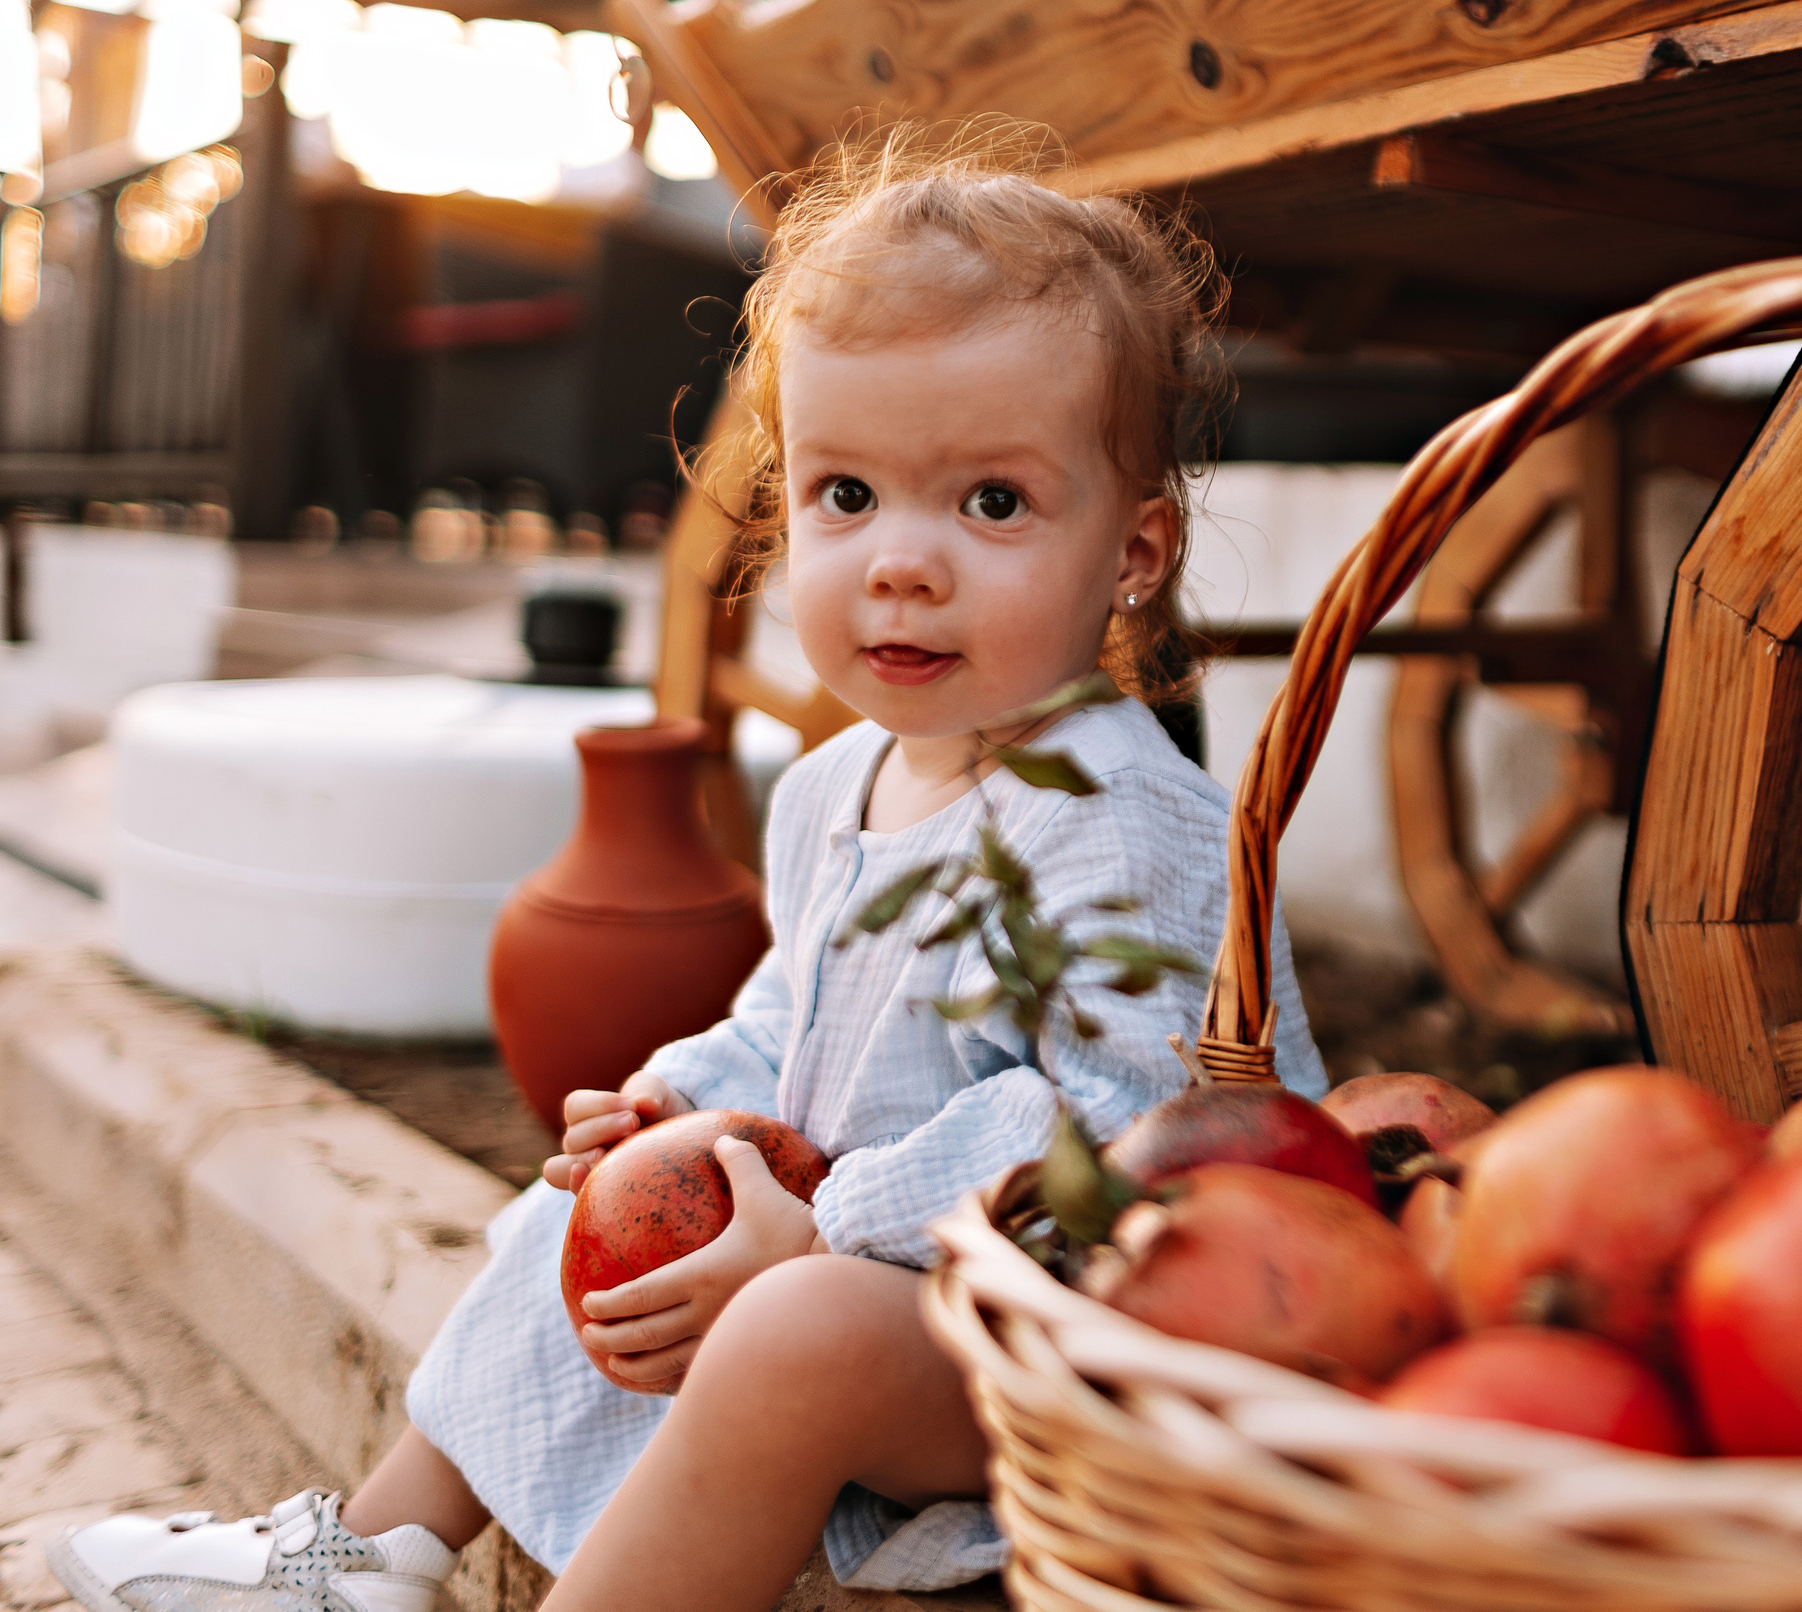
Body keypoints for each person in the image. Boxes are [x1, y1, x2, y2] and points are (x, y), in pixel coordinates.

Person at [46, 126, 1325, 1612]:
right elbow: (795, 1017)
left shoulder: (1120, 817)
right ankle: (365, 1556)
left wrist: (826, 1229)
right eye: (848, 496)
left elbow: (1131, 1134)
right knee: (561, 1226)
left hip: (1089, 1352)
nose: (900, 562)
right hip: (882, 1274)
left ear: (1135, 553)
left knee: (800, 1333)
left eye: (991, 502)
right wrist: (680, 1104)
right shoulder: (838, 784)